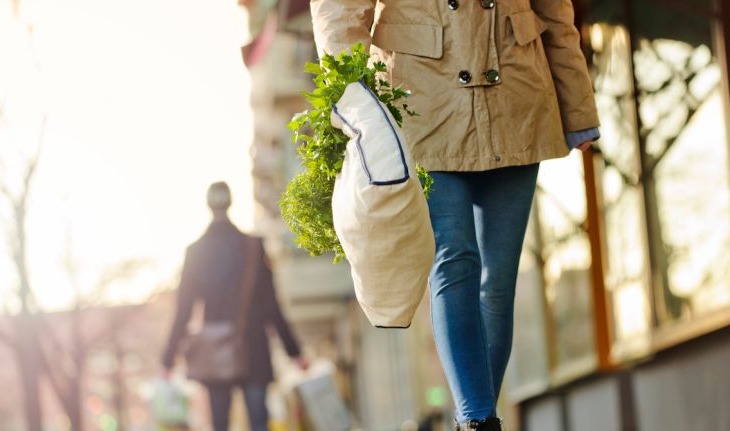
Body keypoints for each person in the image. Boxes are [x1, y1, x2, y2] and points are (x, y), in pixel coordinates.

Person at [310, 1, 600, 430]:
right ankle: (478, 419)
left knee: (498, 282)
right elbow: (338, 13)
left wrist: (577, 106)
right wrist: (357, 105)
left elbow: (556, 12)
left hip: (516, 94)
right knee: (455, 260)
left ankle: (480, 417)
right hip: (420, 102)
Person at [162, 182, 308, 431]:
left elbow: (183, 310)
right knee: (258, 422)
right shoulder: (253, 246)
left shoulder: (195, 251)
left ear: (209, 206)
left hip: (215, 350)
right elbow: (272, 305)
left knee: (220, 424)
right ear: (230, 203)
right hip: (253, 347)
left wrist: (167, 358)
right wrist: (294, 352)